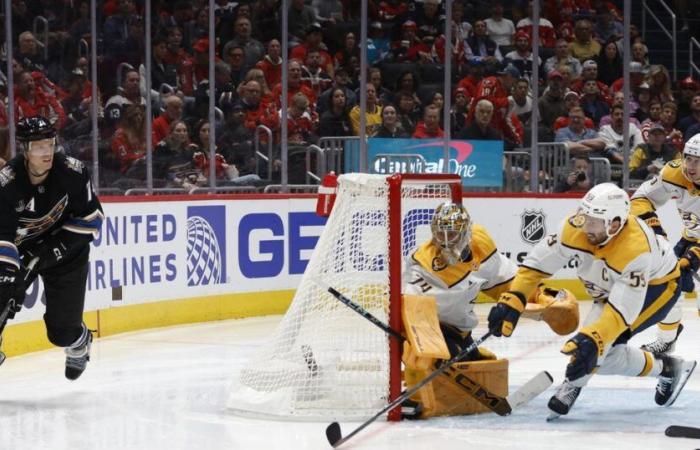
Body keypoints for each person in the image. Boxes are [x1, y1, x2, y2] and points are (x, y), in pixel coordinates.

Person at [488, 183, 696, 418]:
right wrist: (514, 297)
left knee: (600, 348)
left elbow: (620, 313)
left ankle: (579, 380)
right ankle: (664, 368)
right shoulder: (575, 228)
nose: (585, 226)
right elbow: (535, 267)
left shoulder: (636, 249)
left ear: (615, 223)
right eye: (584, 217)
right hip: (609, 286)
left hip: (657, 287)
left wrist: (595, 339)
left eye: (593, 221)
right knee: (600, 352)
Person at [0, 116, 103, 380]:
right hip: (23, 252)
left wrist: (47, 253)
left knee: (61, 333)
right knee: (3, 287)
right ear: (25, 149)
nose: (47, 153)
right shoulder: (7, 183)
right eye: (38, 147)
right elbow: (3, 238)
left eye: (50, 144)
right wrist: (10, 277)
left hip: (68, 252)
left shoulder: (73, 172)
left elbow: (93, 220)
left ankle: (79, 342)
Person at [630, 134, 700, 357]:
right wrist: (655, 229)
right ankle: (666, 341)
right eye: (688, 158)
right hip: (691, 237)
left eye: (698, 161)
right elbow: (640, 199)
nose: (691, 166)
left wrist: (692, 259)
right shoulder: (673, 172)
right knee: (667, 287)